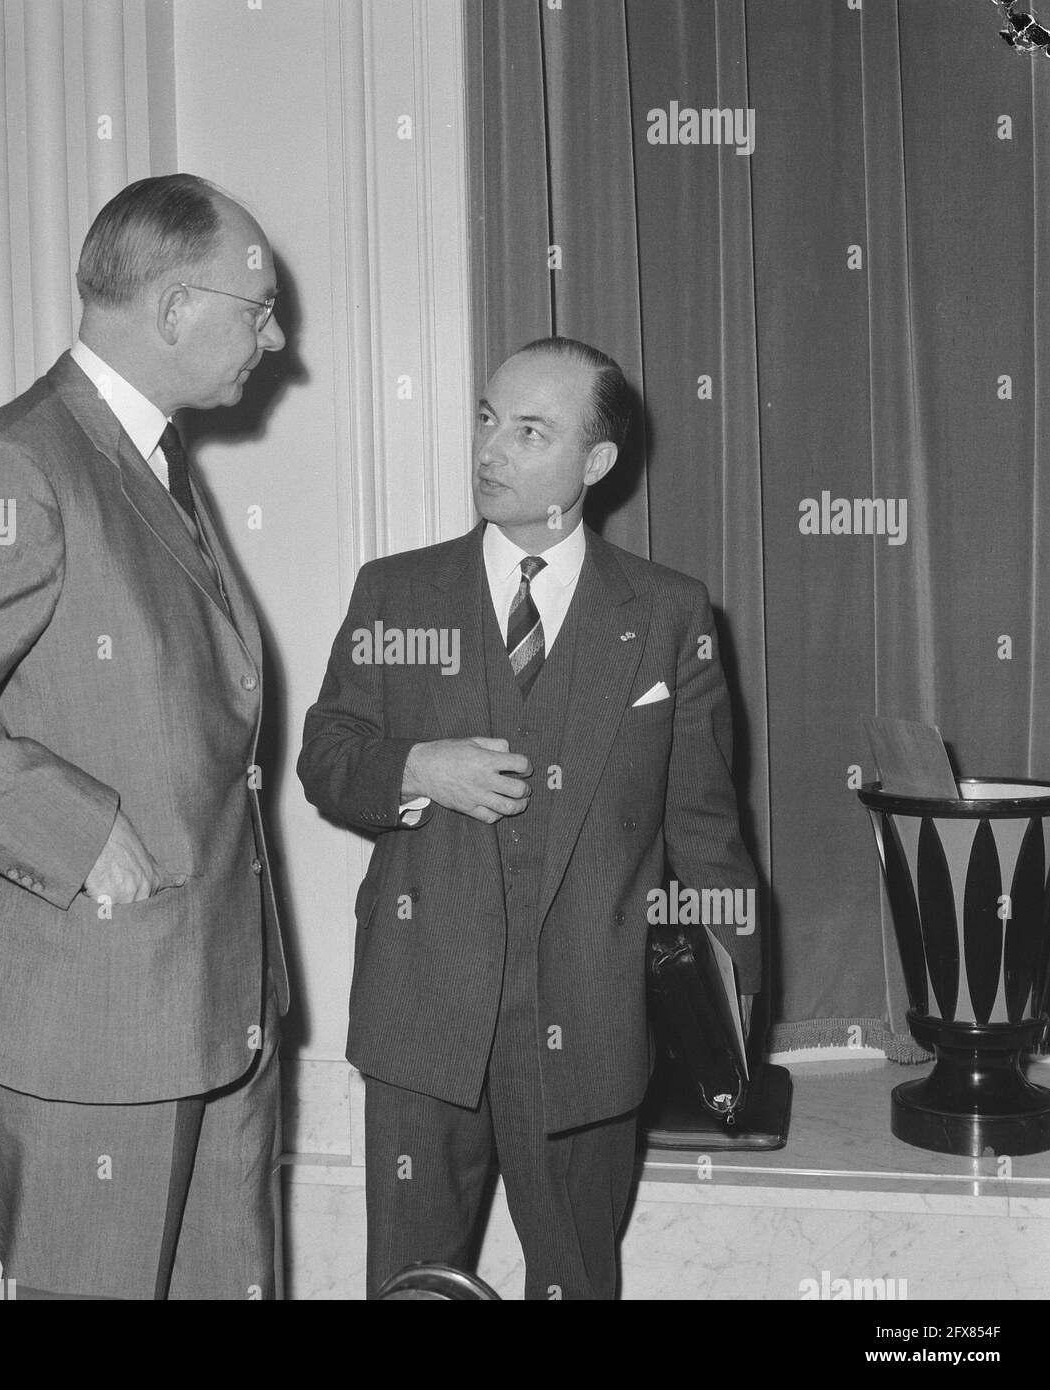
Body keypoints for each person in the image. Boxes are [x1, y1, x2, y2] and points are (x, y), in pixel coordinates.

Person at [0, 174, 289, 1300]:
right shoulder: (21, 463)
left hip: (208, 1003)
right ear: (176, 309)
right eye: (257, 308)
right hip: (88, 1024)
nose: (274, 340)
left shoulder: (146, 458)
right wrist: (74, 829)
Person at [297, 336, 760, 1299]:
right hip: (421, 1023)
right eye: (485, 418)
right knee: (412, 1288)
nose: (490, 449)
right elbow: (325, 760)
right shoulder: (398, 590)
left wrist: (731, 1023)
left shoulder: (670, 615)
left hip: (592, 1024)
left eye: (528, 430)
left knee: (577, 1283)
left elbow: (709, 836)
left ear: (594, 464)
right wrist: (415, 766)